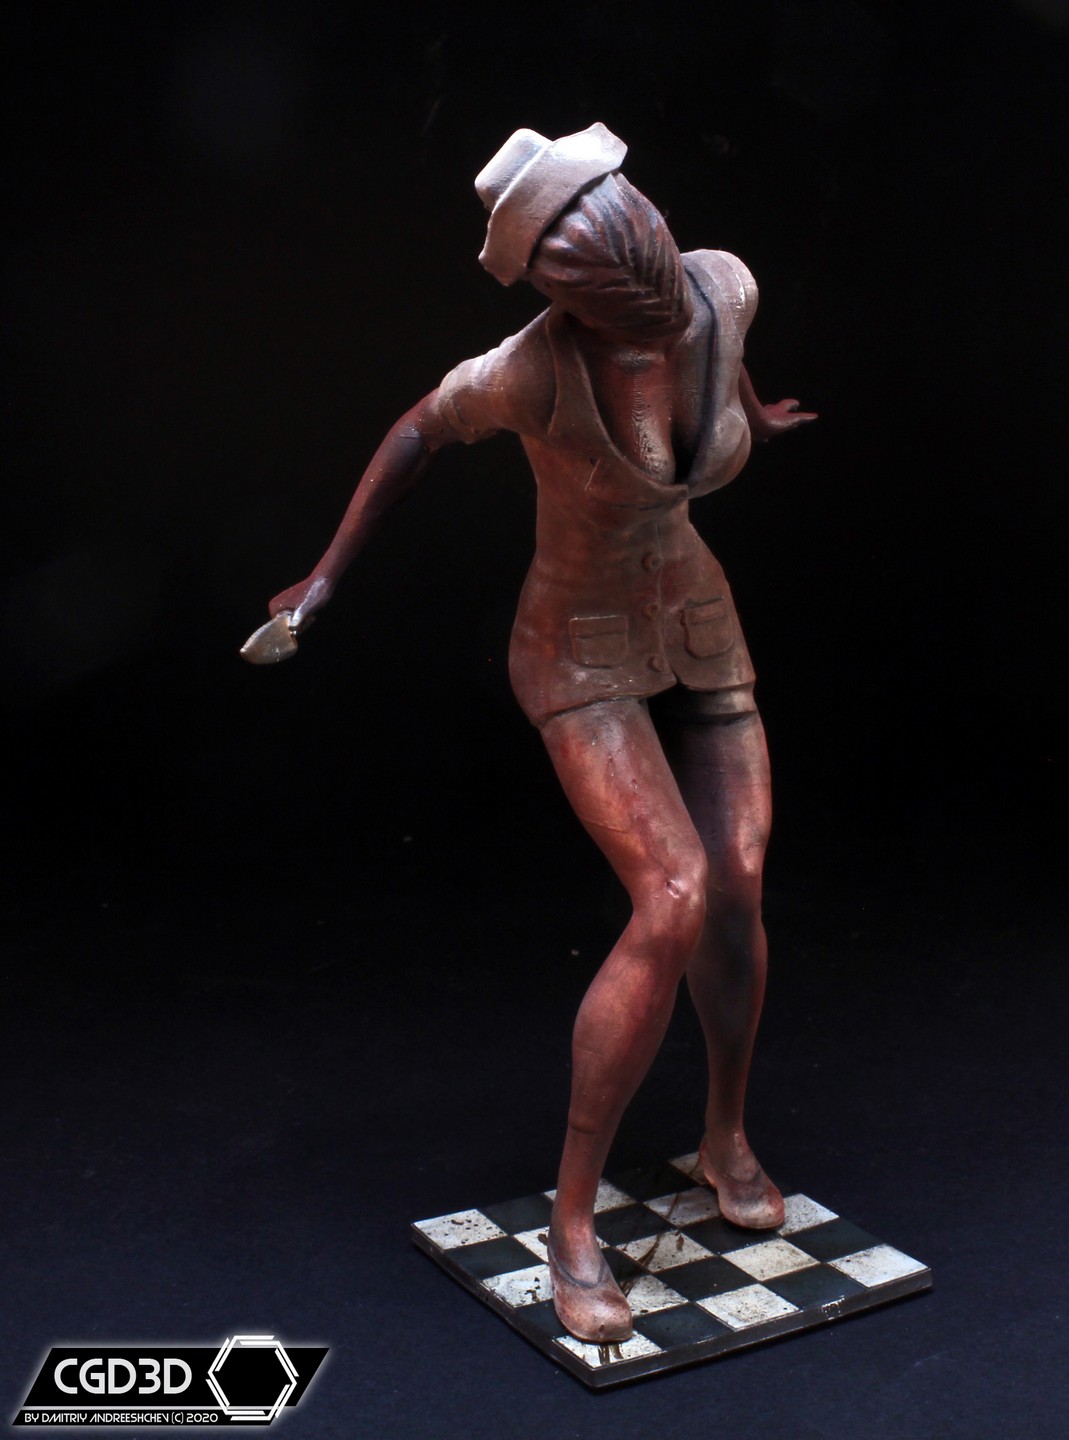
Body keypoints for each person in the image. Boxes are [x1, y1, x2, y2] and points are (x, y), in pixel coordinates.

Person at [254, 124, 815, 1342]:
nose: (654, 330)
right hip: (578, 640)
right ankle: (571, 1218)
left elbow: (715, 372)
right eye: (622, 319)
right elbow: (416, 429)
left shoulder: (718, 292)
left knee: (737, 881)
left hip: (695, 612)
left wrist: (747, 416)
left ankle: (724, 1135)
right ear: (570, 301)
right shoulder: (524, 371)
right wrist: (325, 577)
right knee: (670, 897)